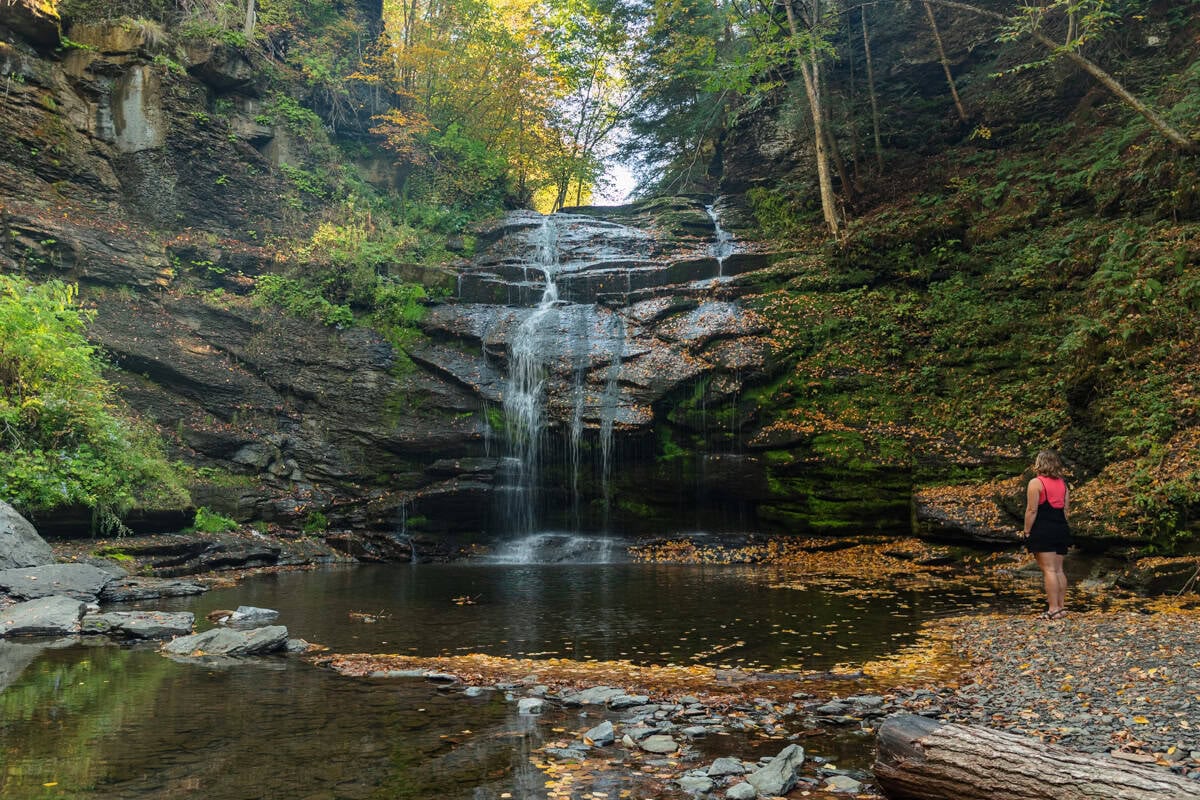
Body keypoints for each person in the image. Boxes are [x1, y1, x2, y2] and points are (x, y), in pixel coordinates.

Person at [1024, 450, 1071, 619]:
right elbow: (1066, 510)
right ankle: (1061, 607)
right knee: (1058, 569)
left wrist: (1027, 530)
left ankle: (1052, 609)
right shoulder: (1063, 484)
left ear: (1039, 463)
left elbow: (1032, 510)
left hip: (1043, 529)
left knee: (1049, 570)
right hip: (1061, 528)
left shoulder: (1035, 483)